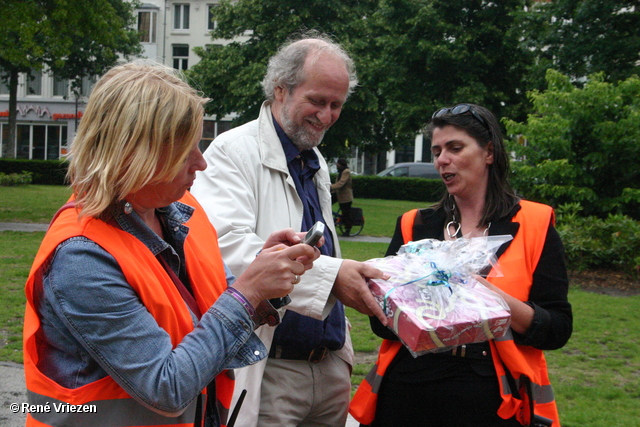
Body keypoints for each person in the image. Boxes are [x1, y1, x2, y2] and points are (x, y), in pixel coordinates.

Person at [22, 61, 321, 427]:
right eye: (186, 150)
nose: (202, 163)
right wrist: (248, 290)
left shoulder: (182, 213)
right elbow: (166, 388)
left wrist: (264, 276)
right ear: (134, 156)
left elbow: (213, 313)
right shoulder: (81, 257)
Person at [191, 33, 387, 427]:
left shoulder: (313, 159)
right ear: (280, 90)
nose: (328, 115)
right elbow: (222, 247)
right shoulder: (232, 151)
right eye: (317, 101)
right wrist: (334, 278)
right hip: (272, 367)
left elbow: (320, 248)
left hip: (329, 365)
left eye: (336, 105)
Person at [350, 103, 573, 427]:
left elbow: (557, 328)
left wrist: (488, 299)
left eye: (455, 147)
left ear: (489, 153)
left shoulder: (535, 223)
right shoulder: (414, 225)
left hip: (490, 396)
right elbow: (380, 321)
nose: (442, 159)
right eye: (437, 150)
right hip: (408, 389)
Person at [331, 158, 353, 236]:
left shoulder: (346, 171)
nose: (337, 165)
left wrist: (330, 187)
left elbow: (341, 183)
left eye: (338, 164)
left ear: (341, 164)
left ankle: (347, 231)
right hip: (338, 195)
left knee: (346, 214)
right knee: (326, 204)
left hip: (345, 197)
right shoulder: (341, 172)